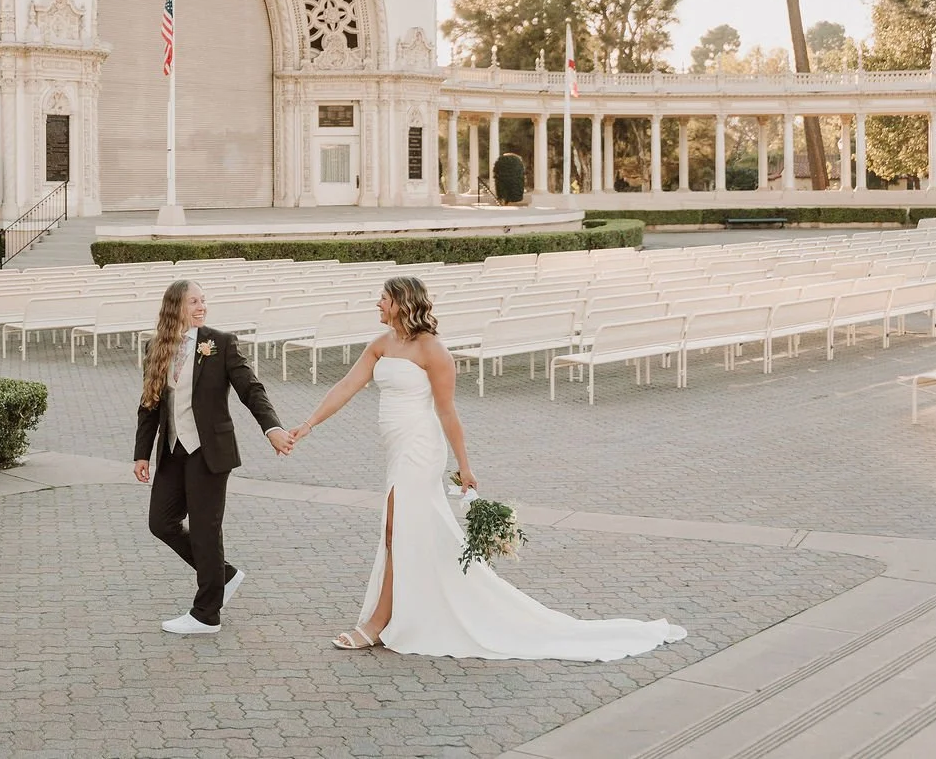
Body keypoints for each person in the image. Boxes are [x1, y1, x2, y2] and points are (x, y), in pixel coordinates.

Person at [290, 275, 687, 659]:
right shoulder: (381, 344)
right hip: (395, 448)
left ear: (402, 303)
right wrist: (307, 425)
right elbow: (345, 386)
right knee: (406, 529)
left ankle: (378, 622)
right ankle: (402, 611)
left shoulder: (433, 351)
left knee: (397, 528)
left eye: (383, 298)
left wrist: (465, 466)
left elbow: (447, 410)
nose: (377, 304)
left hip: (420, 446)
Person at [133, 278, 294, 636]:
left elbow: (251, 389)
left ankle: (207, 614)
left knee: (206, 530)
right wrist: (141, 453)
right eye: (193, 301)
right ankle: (223, 575)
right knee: (161, 522)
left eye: (203, 300)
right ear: (175, 306)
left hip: (209, 452)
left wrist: (273, 429)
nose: (201, 306)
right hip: (174, 450)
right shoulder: (155, 347)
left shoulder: (219, 343)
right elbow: (149, 404)